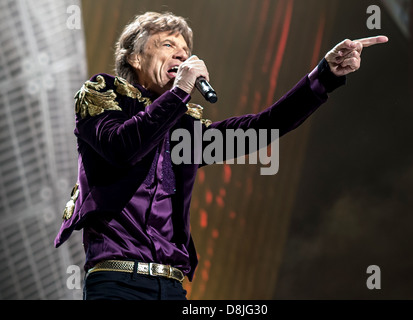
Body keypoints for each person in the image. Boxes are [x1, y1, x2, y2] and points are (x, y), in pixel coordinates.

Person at [54, 11, 388, 300]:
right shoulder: (103, 93)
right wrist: (181, 92)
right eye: (168, 45)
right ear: (135, 58)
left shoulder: (186, 129)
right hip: (117, 281)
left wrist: (325, 75)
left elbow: (262, 127)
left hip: (171, 286)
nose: (182, 56)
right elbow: (122, 148)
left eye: (186, 51)